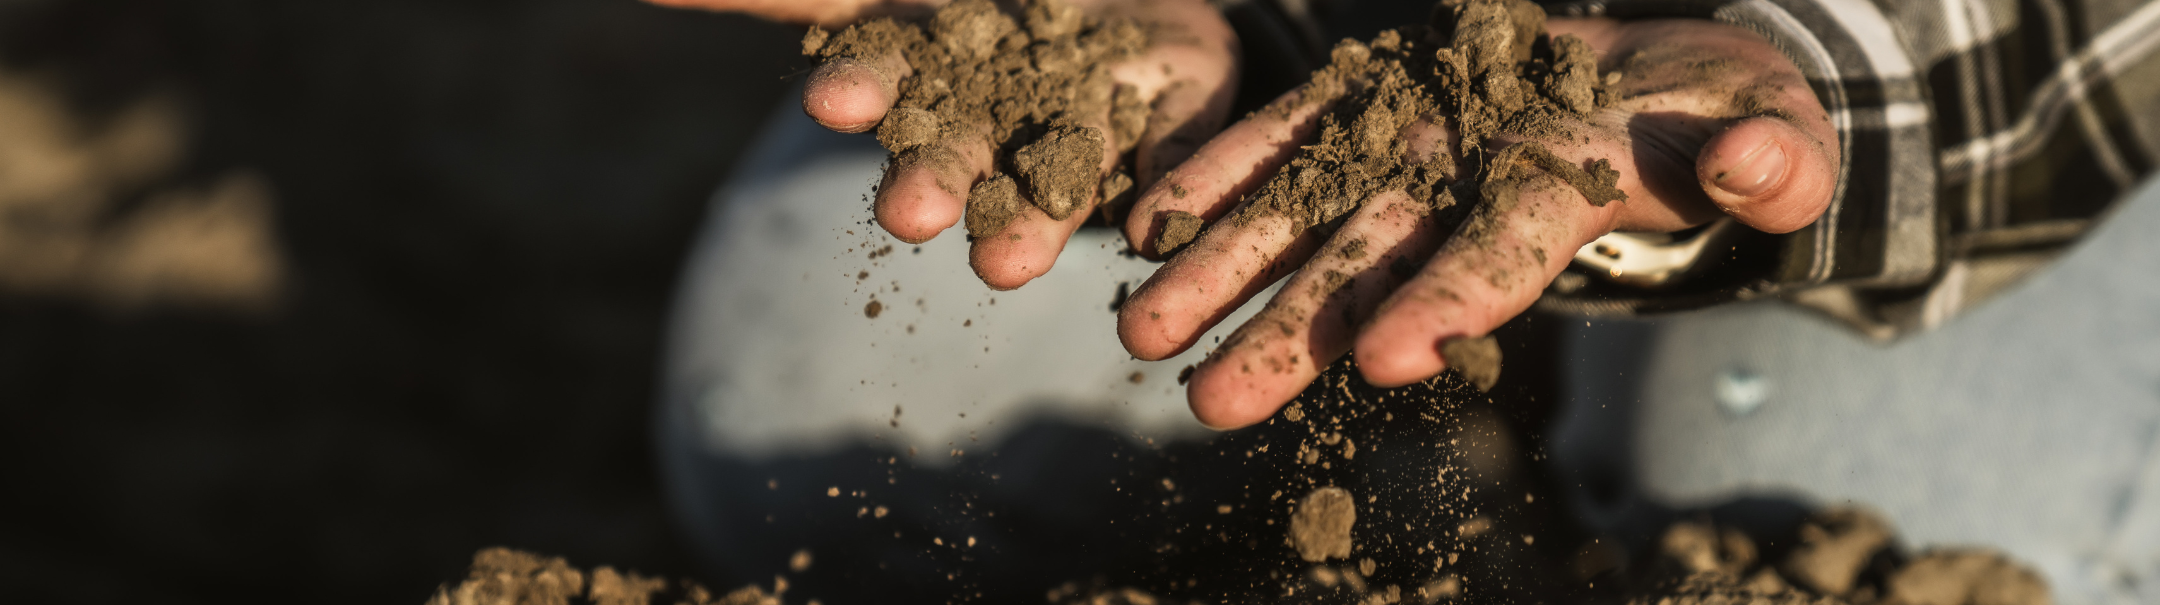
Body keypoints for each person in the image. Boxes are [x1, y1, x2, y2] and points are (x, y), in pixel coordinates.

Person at [645, 0, 2160, 603]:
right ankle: (1486, 373)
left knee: (1880, 529)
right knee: (803, 431)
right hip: (1349, 51)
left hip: (1995, 86)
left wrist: (1801, 59)